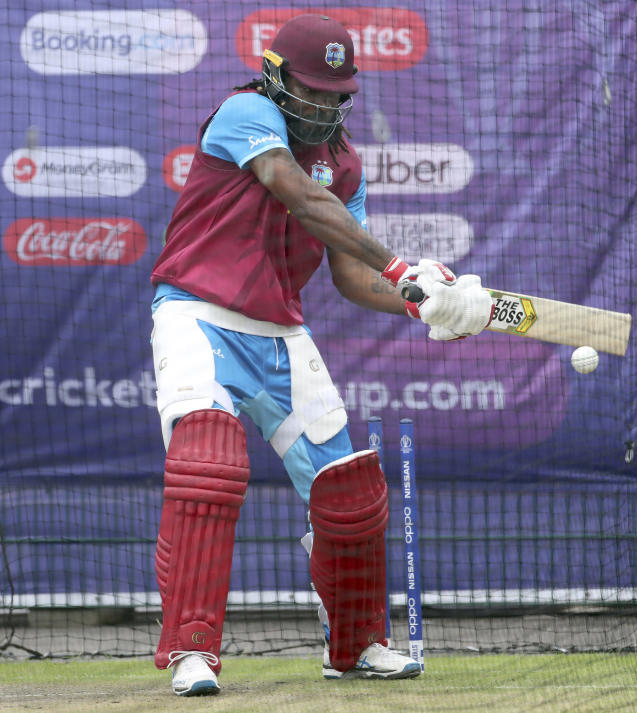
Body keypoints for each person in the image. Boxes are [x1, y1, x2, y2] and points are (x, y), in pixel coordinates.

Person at [149, 13, 493, 696]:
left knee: (349, 490)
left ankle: (358, 641)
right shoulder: (244, 112)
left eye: (336, 93)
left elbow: (349, 274)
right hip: (196, 314)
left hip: (279, 331)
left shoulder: (345, 162)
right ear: (276, 78)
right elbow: (297, 196)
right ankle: (192, 650)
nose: (325, 104)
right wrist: (401, 268)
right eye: (312, 89)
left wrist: (428, 303)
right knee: (207, 462)